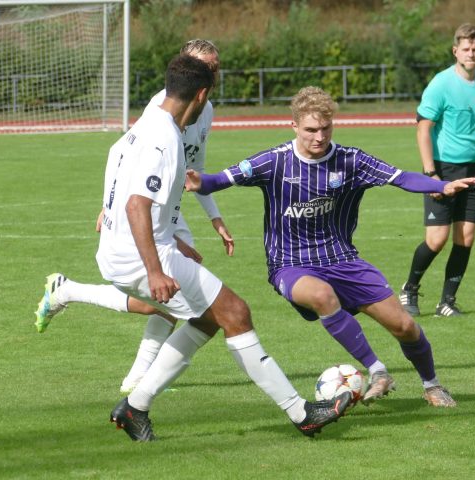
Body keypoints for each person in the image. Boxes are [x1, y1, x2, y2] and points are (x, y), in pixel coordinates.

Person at [97, 55, 351, 441]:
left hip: (123, 249)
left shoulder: (143, 125)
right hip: (138, 257)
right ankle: (302, 413)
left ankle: (136, 406)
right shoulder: (164, 137)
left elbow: (118, 182)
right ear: (201, 95)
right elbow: (136, 205)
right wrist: (154, 268)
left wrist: (177, 241)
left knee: (208, 317)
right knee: (235, 312)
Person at [185, 86, 475, 408]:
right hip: (290, 262)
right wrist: (200, 181)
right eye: (311, 129)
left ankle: (432, 385)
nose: (319, 136)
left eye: (326, 128)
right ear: (294, 126)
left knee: (405, 326)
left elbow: (400, 177)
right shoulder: (274, 161)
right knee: (322, 296)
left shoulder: (351, 160)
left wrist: (441, 186)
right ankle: (379, 370)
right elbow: (222, 179)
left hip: (342, 258)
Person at [33, 40, 234, 395]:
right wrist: (108, 204)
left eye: (217, 67)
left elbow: (195, 170)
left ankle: (136, 377)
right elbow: (127, 155)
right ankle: (70, 293)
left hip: (170, 208)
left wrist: (215, 218)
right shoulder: (162, 105)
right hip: (149, 207)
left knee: (168, 299)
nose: (214, 73)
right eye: (208, 67)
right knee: (167, 297)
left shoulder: (208, 109)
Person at [398, 23, 475, 317]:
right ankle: (409, 290)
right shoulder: (441, 84)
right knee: (437, 239)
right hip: (443, 169)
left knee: (466, 237)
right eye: (466, 49)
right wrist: (430, 175)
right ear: (455, 50)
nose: (472, 53)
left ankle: (446, 302)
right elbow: (423, 130)